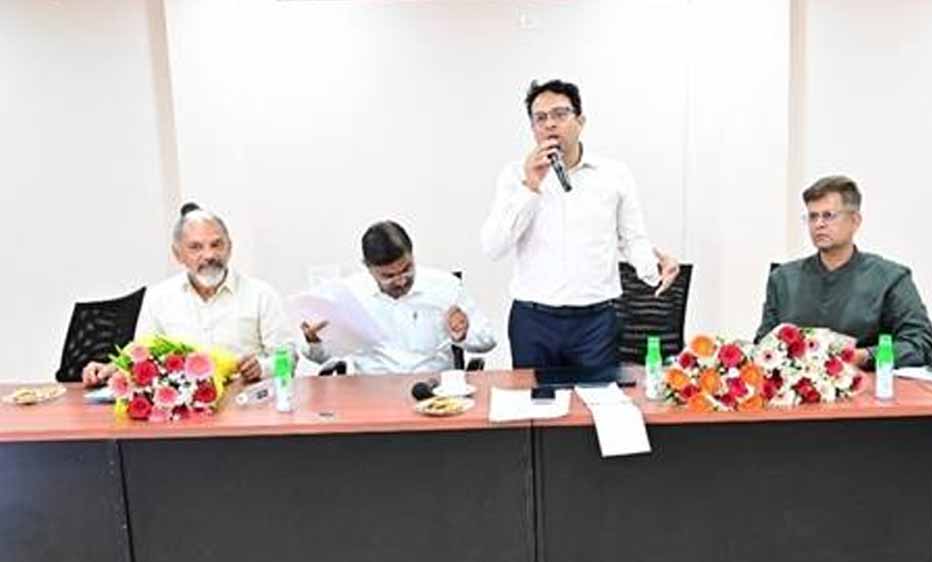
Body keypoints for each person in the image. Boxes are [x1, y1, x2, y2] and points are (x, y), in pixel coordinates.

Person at [482, 79, 680, 368]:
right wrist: (531, 185)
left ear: (580, 121)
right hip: (533, 321)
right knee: (535, 397)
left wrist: (655, 270)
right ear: (533, 128)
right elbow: (493, 247)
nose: (550, 124)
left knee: (598, 397)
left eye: (560, 114)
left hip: (595, 323)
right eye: (540, 118)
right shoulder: (515, 176)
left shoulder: (614, 175)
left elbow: (631, 239)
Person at [82, 209, 297, 385]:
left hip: (247, 405)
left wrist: (263, 368)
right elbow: (142, 354)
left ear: (229, 247)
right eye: (195, 247)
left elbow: (289, 358)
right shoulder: (159, 297)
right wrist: (110, 369)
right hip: (183, 409)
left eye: (216, 244)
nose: (209, 255)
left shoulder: (261, 294)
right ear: (178, 254)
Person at [755, 175, 932, 368]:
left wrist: (864, 356)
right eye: (813, 216)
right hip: (798, 385)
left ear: (855, 221)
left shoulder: (891, 278)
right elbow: (763, 346)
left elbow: (922, 346)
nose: (819, 224)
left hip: (866, 382)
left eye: (828, 215)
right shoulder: (783, 279)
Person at [301, 221, 496, 374]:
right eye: (389, 276)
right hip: (373, 394)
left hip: (434, 393)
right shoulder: (349, 295)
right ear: (367, 267)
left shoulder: (445, 286)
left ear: (412, 254)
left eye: (407, 269)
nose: (401, 281)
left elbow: (487, 340)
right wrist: (314, 341)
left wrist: (463, 335)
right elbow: (324, 358)